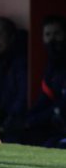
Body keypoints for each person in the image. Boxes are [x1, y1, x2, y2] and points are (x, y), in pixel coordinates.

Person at [23, 15, 66, 147]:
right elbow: (45, 98)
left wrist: (35, 120)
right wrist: (26, 120)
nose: (52, 39)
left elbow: (62, 106)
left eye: (57, 34)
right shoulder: (52, 66)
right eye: (48, 34)